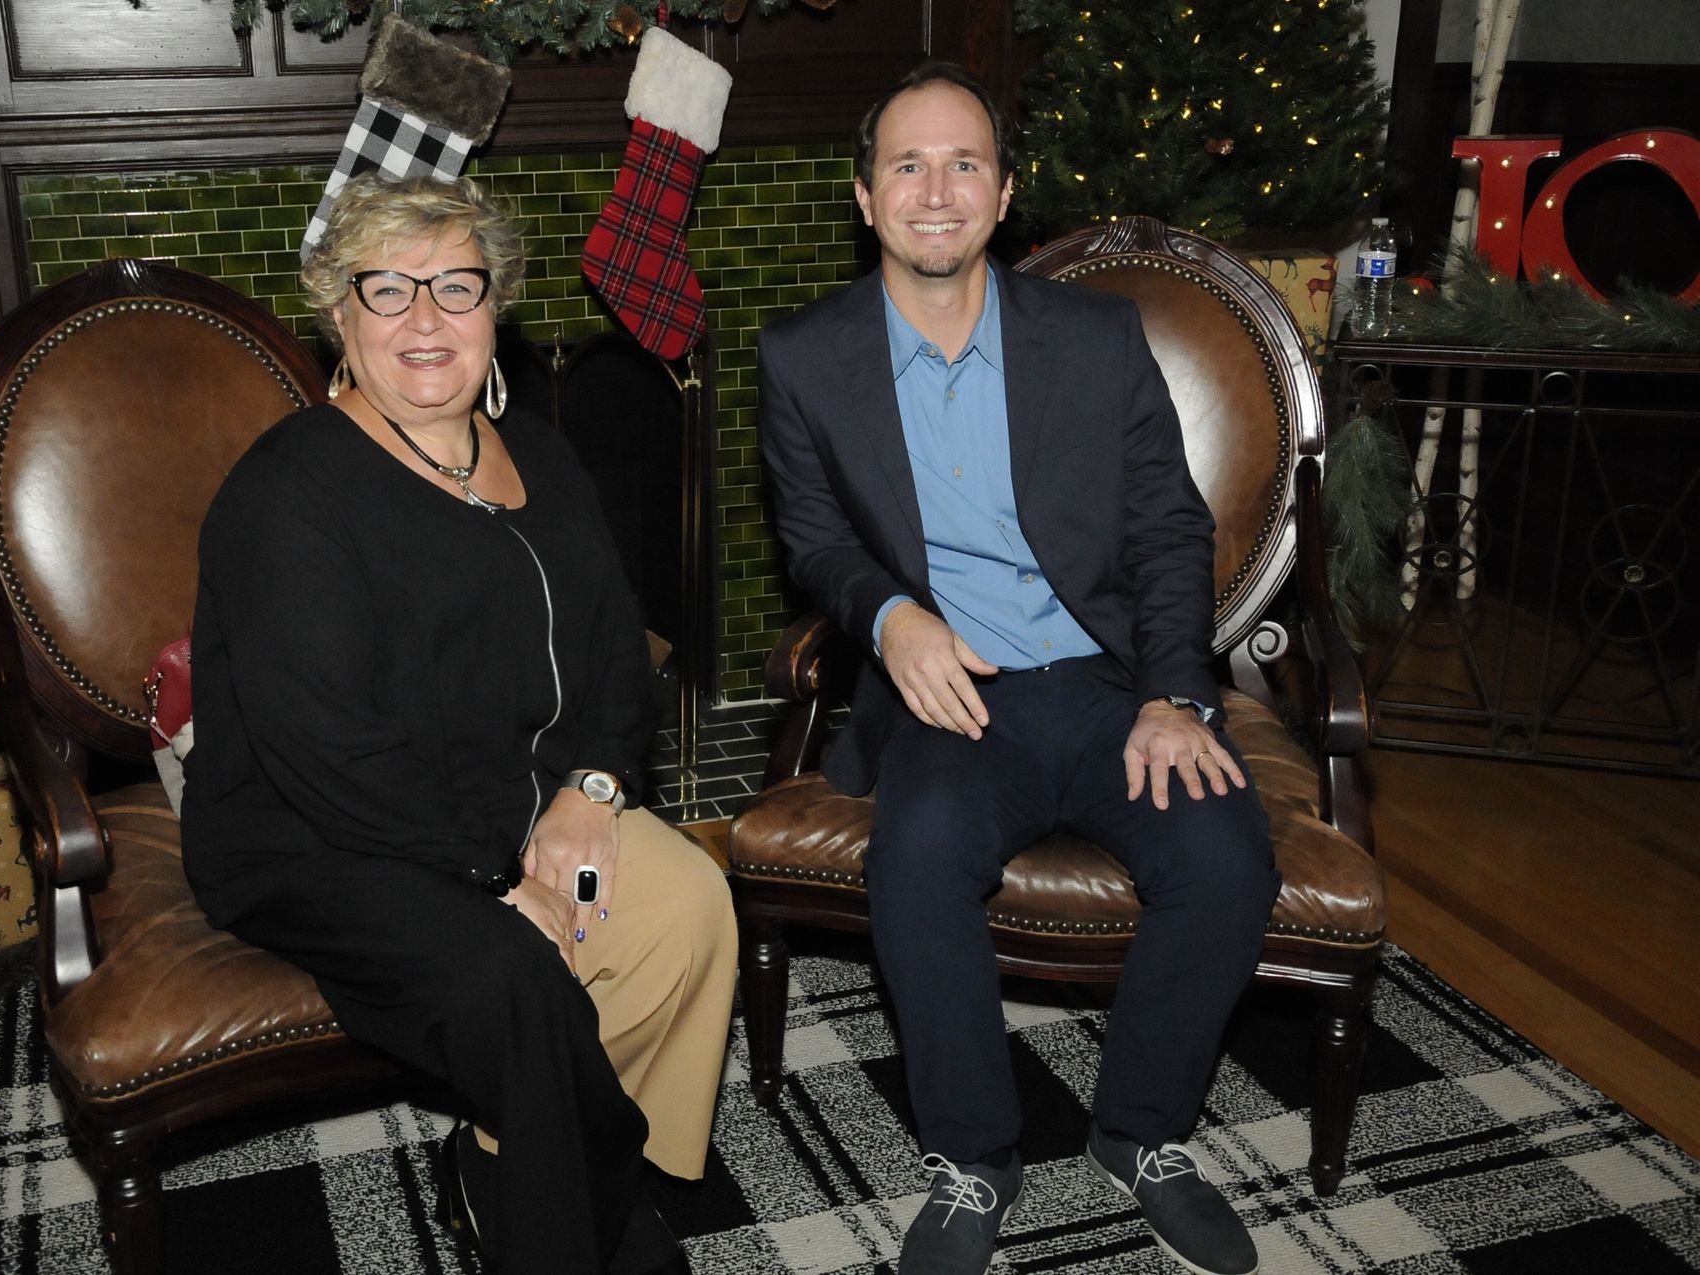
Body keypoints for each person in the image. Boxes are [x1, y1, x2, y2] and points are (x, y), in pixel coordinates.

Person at [756, 63, 1280, 1275]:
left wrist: (1172, 695)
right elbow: (815, 539)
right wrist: (891, 617)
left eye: (965, 165)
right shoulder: (805, 358)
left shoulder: (1093, 338)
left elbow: (1166, 526)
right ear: (865, 193)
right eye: (907, 165)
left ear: (1002, 197)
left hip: (1107, 685)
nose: (936, 191)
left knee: (1222, 851)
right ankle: (974, 1157)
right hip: (953, 699)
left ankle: (1141, 1134)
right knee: (921, 847)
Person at [181, 172, 737, 1275]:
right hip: (320, 841)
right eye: (387, 289)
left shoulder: (544, 451)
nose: (426, 319)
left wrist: (592, 792)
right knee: (516, 979)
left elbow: (619, 648)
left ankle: (502, 1158)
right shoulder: (289, 493)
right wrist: (497, 873)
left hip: (522, 810)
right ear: (339, 315)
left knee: (683, 907)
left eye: (457, 287)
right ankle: (581, 1214)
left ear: (497, 309)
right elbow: (323, 751)